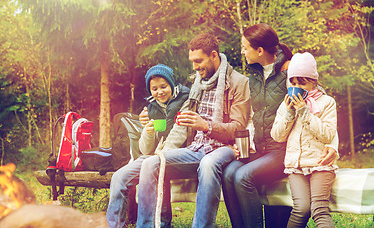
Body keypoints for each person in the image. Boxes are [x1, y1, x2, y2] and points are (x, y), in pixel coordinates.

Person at [222, 23, 339, 228]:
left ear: (259, 50)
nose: (241, 51)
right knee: (229, 173)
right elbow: (254, 116)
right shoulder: (254, 76)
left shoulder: (291, 74)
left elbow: (320, 107)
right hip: (261, 148)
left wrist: (333, 146)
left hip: (282, 150)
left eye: (244, 47)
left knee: (242, 176)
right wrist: (246, 141)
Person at [136, 33, 251, 227]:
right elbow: (181, 123)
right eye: (192, 62)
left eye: (198, 61)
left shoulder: (239, 83)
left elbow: (238, 127)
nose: (195, 67)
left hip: (225, 148)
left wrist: (206, 126)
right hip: (196, 147)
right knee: (150, 164)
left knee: (207, 164)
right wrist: (152, 130)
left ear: (214, 55)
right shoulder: (198, 83)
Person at [106, 64, 190, 228]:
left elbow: (180, 133)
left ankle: (158, 223)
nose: (160, 92)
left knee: (153, 167)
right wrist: (148, 132)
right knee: (118, 177)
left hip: (180, 154)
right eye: (154, 89)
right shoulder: (152, 108)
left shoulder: (185, 99)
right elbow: (145, 149)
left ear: (171, 84)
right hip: (154, 156)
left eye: (164, 86)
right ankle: (114, 225)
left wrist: (159, 156)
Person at [271, 52, 338, 228]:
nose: (297, 86)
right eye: (293, 82)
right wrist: (289, 113)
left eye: (302, 82)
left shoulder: (326, 102)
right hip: (296, 167)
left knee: (319, 210)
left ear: (314, 82)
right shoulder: (285, 106)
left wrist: (304, 112)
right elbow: (277, 136)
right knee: (301, 209)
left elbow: (328, 134)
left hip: (320, 164)